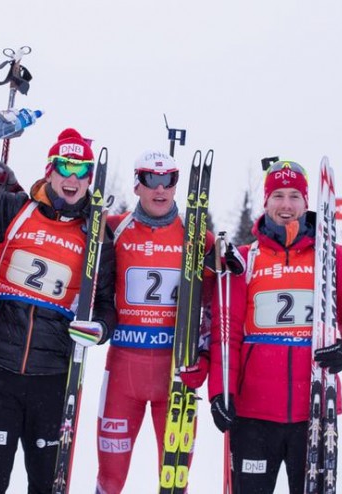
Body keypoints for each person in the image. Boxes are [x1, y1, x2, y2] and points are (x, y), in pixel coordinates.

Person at [0, 126, 117, 494]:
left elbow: (105, 305)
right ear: (49, 169)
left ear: (90, 179)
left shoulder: (96, 233)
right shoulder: (12, 208)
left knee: (46, 484)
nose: (72, 178)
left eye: (81, 170)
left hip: (54, 379)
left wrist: (99, 328)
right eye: (64, 168)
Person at [194, 160, 342, 493]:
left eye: (295, 196)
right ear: (265, 202)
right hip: (252, 415)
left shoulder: (332, 258)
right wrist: (220, 392)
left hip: (315, 414)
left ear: (307, 203)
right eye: (277, 195)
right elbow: (226, 335)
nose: (286, 205)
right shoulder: (244, 260)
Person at [95, 150, 214, 493]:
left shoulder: (197, 238)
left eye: (168, 181)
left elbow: (212, 307)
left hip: (175, 375)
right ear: (137, 185)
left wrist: (204, 356)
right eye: (151, 180)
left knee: (175, 479)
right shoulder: (114, 229)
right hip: (122, 374)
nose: (160, 189)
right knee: (110, 479)